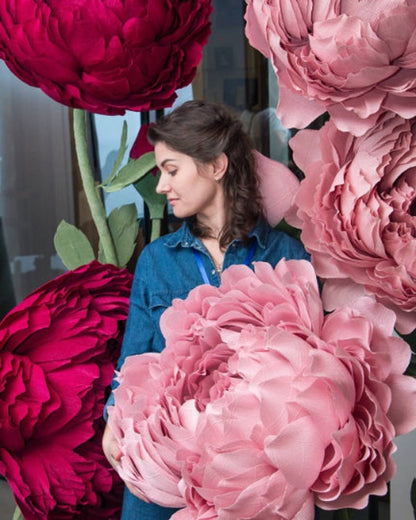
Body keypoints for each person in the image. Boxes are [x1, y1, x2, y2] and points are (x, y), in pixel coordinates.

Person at [102, 99, 310, 520]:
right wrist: (113, 418)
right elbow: (133, 359)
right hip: (168, 455)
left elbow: (306, 367)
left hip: (253, 467)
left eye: (172, 170)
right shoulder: (157, 260)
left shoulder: (285, 255)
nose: (161, 186)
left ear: (216, 166)